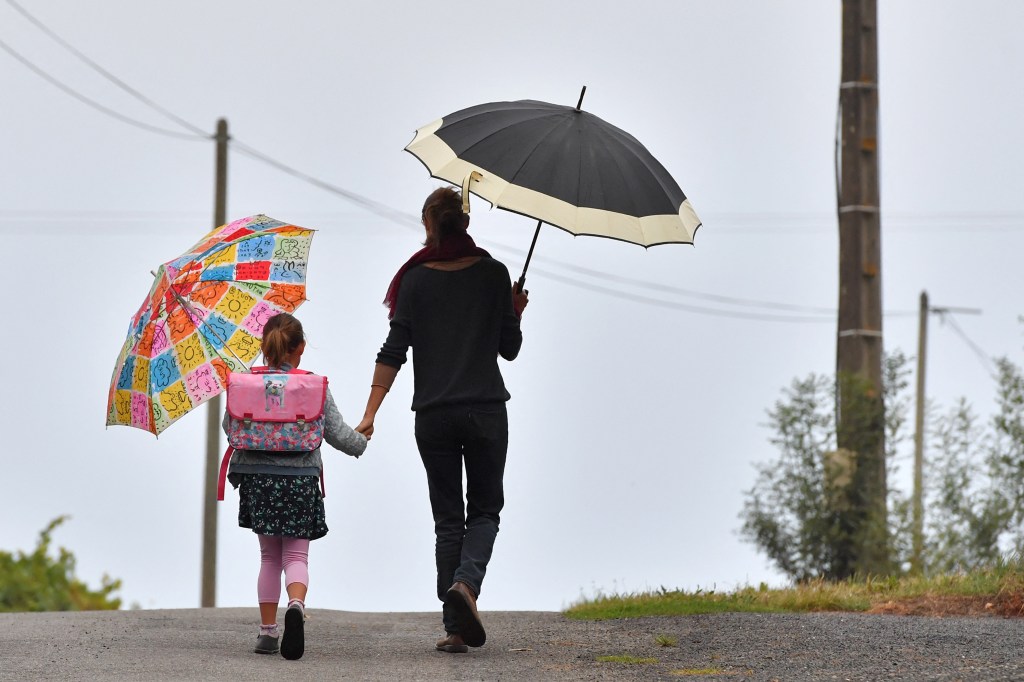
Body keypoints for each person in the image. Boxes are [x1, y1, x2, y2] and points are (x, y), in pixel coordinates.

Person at [355, 186, 528, 653]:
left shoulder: (414, 280)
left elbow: (394, 350)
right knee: (486, 509)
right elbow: (508, 350)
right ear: (465, 224)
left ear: (430, 225)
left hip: (433, 414)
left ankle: (455, 627)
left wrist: (371, 412)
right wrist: (512, 311)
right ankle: (466, 586)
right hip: (486, 409)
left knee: (448, 520)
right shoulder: (494, 274)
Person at [222, 312, 367, 660]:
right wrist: (361, 440)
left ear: (264, 346)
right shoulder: (313, 385)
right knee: (297, 555)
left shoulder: (244, 385)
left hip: (259, 481)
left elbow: (232, 428)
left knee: (269, 556)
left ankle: (268, 632)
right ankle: (297, 605)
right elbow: (337, 434)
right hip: (301, 479)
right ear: (300, 347)